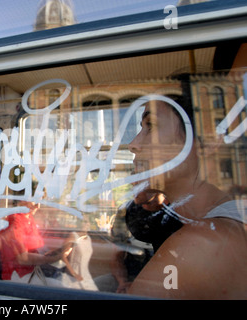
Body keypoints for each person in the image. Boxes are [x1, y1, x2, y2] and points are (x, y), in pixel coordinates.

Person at [125, 96, 246, 299]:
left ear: (203, 143)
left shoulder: (201, 243)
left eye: (151, 125)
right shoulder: (223, 222)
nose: (133, 144)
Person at [0, 200, 66, 286]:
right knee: (60, 286)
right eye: (35, 202)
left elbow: (36, 244)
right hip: (16, 275)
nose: (38, 206)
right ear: (23, 201)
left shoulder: (28, 218)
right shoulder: (16, 221)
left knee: (61, 277)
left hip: (30, 271)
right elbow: (23, 259)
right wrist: (54, 258)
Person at [57, 217, 99, 291]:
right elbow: (62, 256)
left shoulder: (88, 238)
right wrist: (74, 274)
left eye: (87, 222)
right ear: (79, 223)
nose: (86, 224)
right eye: (84, 222)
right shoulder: (74, 236)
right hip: (73, 277)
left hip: (86, 276)